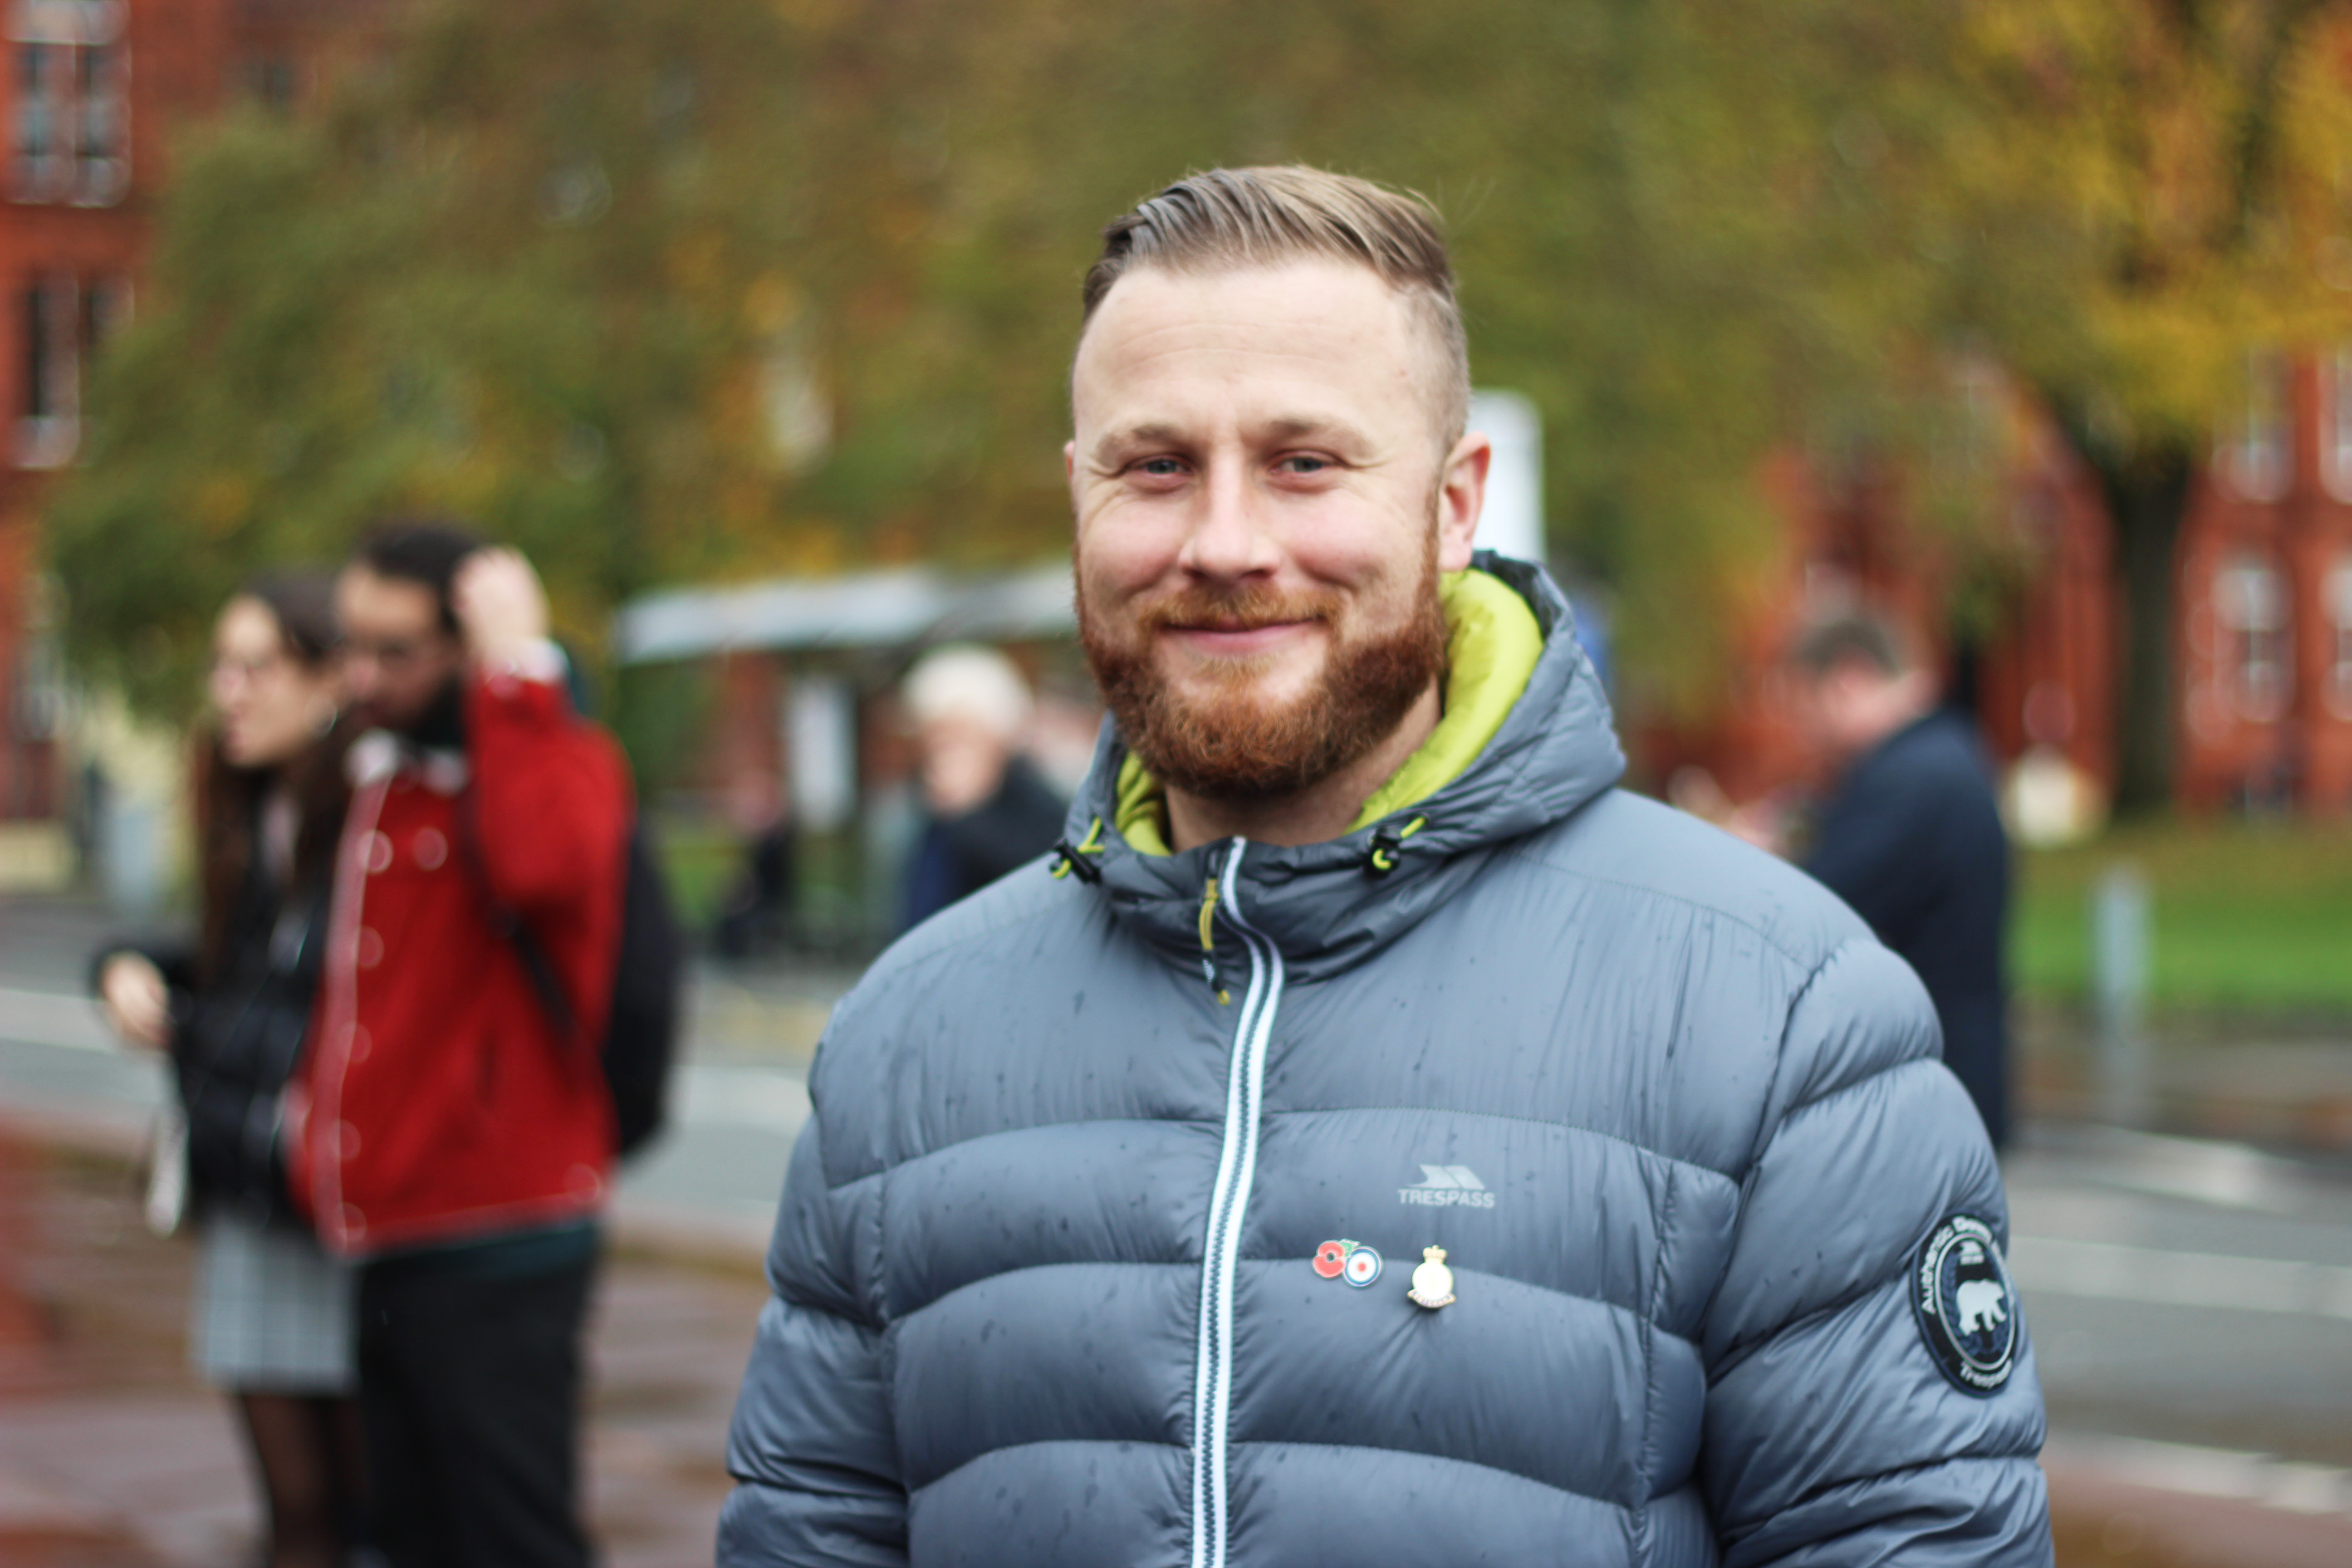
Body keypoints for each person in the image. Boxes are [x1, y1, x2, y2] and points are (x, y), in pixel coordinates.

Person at [719, 167, 2049, 1565]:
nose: (1225, 544)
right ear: (1081, 494)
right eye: (1155, 465)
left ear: (1455, 505)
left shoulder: (1782, 1022)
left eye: (1306, 462)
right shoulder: (903, 1042)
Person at [286, 522, 631, 1568]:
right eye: (355, 645)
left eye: (397, 650)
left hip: (501, 1227)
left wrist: (522, 668)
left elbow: (537, 868)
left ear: (466, 644)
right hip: (386, 1221)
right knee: (408, 1533)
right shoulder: (380, 774)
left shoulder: (557, 761)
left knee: (512, 1533)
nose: (365, 675)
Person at [93, 575, 366, 1568]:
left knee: (356, 1511)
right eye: (222, 666)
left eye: (256, 667)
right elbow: (233, 965)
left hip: (334, 1198)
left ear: (331, 677)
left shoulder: (367, 819)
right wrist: (123, 967)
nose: (230, 691)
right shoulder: (252, 815)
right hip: (252, 1188)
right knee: (295, 1517)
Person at [1789, 611, 2015, 1148]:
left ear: (1847, 678)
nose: (1809, 729)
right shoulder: (1948, 752)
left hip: (1928, 1094)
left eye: (1810, 705)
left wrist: (1751, 861)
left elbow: (1813, 911)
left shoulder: (1908, 780)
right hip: (1959, 1073)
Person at [896, 643, 1067, 931]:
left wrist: (968, 814)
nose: (944, 749)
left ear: (998, 733)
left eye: (959, 734)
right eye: (934, 734)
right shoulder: (930, 803)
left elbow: (1042, 881)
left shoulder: (1034, 803)